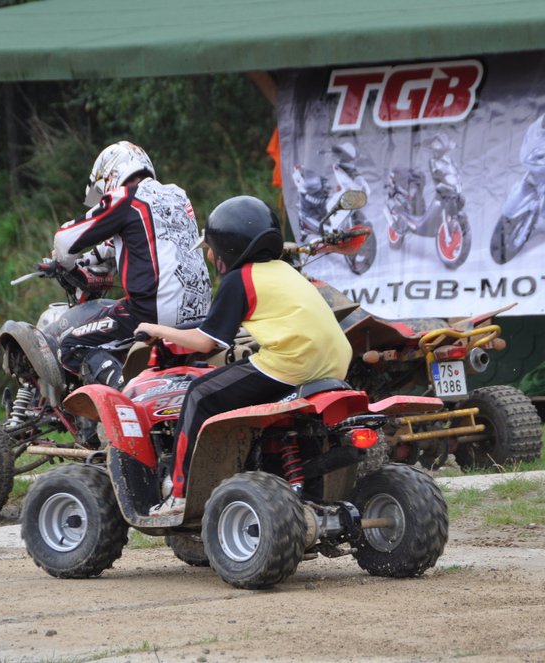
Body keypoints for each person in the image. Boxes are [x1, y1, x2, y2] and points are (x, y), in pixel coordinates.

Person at [135, 195, 353, 516]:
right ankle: (307, 494)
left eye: (210, 248)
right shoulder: (283, 271)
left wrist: (157, 330)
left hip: (291, 362)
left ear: (228, 245)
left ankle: (178, 493)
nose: (209, 255)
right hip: (335, 364)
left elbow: (206, 344)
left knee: (199, 393)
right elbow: (222, 324)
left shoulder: (240, 279)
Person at [53, 141, 211, 391]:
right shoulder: (177, 195)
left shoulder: (125, 198)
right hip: (200, 312)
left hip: (150, 312)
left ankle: (125, 400)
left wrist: (68, 264)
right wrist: (88, 259)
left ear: (111, 175)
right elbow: (120, 243)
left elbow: (64, 240)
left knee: (72, 345)